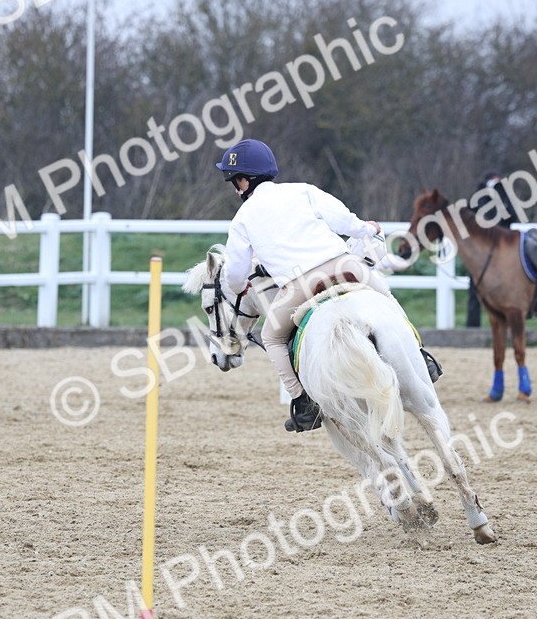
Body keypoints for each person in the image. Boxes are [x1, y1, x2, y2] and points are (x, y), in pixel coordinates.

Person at [216, 139, 424, 433]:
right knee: (385, 297)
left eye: (234, 181)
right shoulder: (303, 190)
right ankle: (421, 356)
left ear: (243, 180)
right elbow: (346, 222)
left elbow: (235, 273)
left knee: (271, 337)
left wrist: (239, 289)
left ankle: (304, 404)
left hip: (301, 285)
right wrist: (370, 229)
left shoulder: (241, 220)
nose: (234, 187)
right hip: (344, 265)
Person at [464, 170, 517, 327]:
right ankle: (472, 326)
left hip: (501, 252)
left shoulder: (504, 197)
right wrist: (484, 190)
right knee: (475, 290)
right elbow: (469, 213)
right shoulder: (479, 197)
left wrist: (501, 192)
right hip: (481, 252)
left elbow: (512, 216)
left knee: (505, 289)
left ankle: (505, 325)